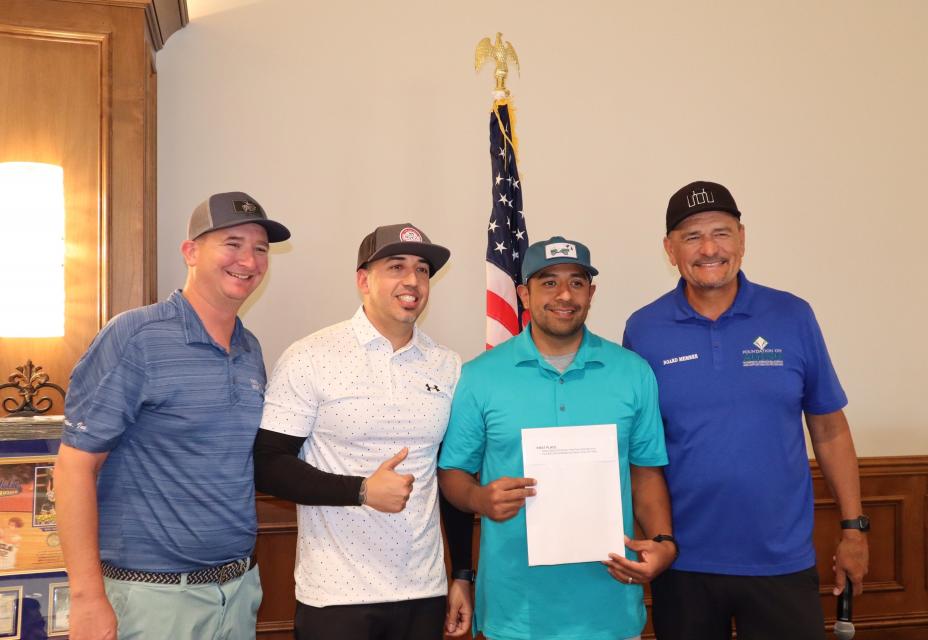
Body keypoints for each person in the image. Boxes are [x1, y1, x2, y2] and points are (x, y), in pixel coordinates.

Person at [622, 180, 869, 640]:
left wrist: (854, 528)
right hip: (685, 563)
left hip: (782, 560)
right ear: (669, 249)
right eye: (692, 237)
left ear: (742, 238)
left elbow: (829, 428)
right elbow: (642, 452)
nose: (709, 248)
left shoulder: (793, 316)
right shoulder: (644, 330)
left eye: (722, 232)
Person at [54, 192, 290, 640]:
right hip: (150, 600)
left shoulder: (249, 348)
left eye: (261, 249)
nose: (249, 259)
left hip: (237, 592)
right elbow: (73, 467)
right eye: (233, 243)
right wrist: (87, 598)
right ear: (191, 251)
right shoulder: (136, 336)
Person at [439, 236, 675, 640]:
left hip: (610, 606)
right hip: (517, 612)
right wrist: (479, 498)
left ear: (591, 293)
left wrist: (663, 542)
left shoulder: (632, 372)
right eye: (548, 282)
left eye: (577, 282)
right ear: (523, 294)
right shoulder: (479, 376)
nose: (564, 294)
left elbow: (645, 472)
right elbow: (452, 474)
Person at [254, 223, 474, 640]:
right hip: (335, 596)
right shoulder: (310, 356)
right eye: (396, 266)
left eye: (422, 270)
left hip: (423, 591)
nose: (412, 281)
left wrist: (462, 572)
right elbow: (267, 465)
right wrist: (361, 491)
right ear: (363, 280)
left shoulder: (447, 365)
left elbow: (449, 475)